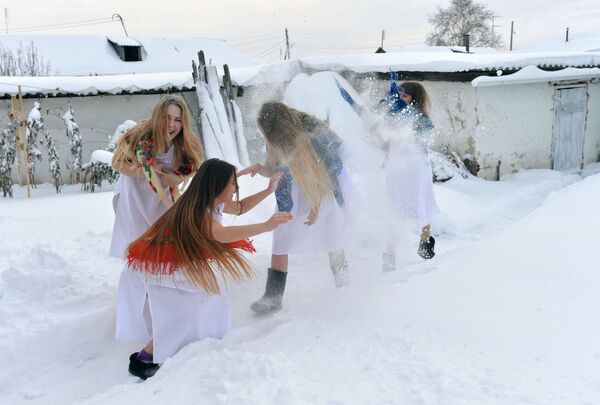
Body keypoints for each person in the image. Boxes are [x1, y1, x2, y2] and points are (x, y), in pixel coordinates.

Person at [116, 158, 292, 380]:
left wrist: (268, 191)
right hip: (164, 267)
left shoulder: (214, 200)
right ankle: (143, 359)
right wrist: (266, 226)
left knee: (209, 300)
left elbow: (240, 207)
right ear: (216, 185)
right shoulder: (199, 209)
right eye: (232, 183)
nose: (236, 188)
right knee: (179, 314)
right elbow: (219, 234)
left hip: (179, 263)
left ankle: (201, 341)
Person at [239, 101, 351, 316]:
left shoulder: (306, 137)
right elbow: (272, 168)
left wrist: (316, 204)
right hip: (290, 191)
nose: (263, 134)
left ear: (276, 127)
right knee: (281, 237)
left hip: (319, 188)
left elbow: (320, 174)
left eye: (265, 130)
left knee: (332, 234)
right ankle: (273, 297)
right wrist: (260, 169)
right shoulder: (274, 139)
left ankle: (344, 285)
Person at [109, 95, 204, 260]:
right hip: (134, 197)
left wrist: (178, 178)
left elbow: (193, 168)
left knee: (163, 246)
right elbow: (117, 163)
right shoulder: (139, 135)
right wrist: (146, 172)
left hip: (162, 199)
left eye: (177, 120)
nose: (171, 125)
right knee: (137, 248)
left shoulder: (186, 142)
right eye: (167, 118)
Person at [377, 81, 440, 271]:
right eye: (399, 96)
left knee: (420, 204)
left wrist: (401, 130)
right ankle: (389, 256)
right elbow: (382, 143)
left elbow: (418, 141)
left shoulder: (422, 119)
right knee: (392, 208)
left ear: (414, 98)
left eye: (405, 96)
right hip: (396, 169)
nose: (401, 100)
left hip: (417, 170)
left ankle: (425, 242)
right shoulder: (391, 117)